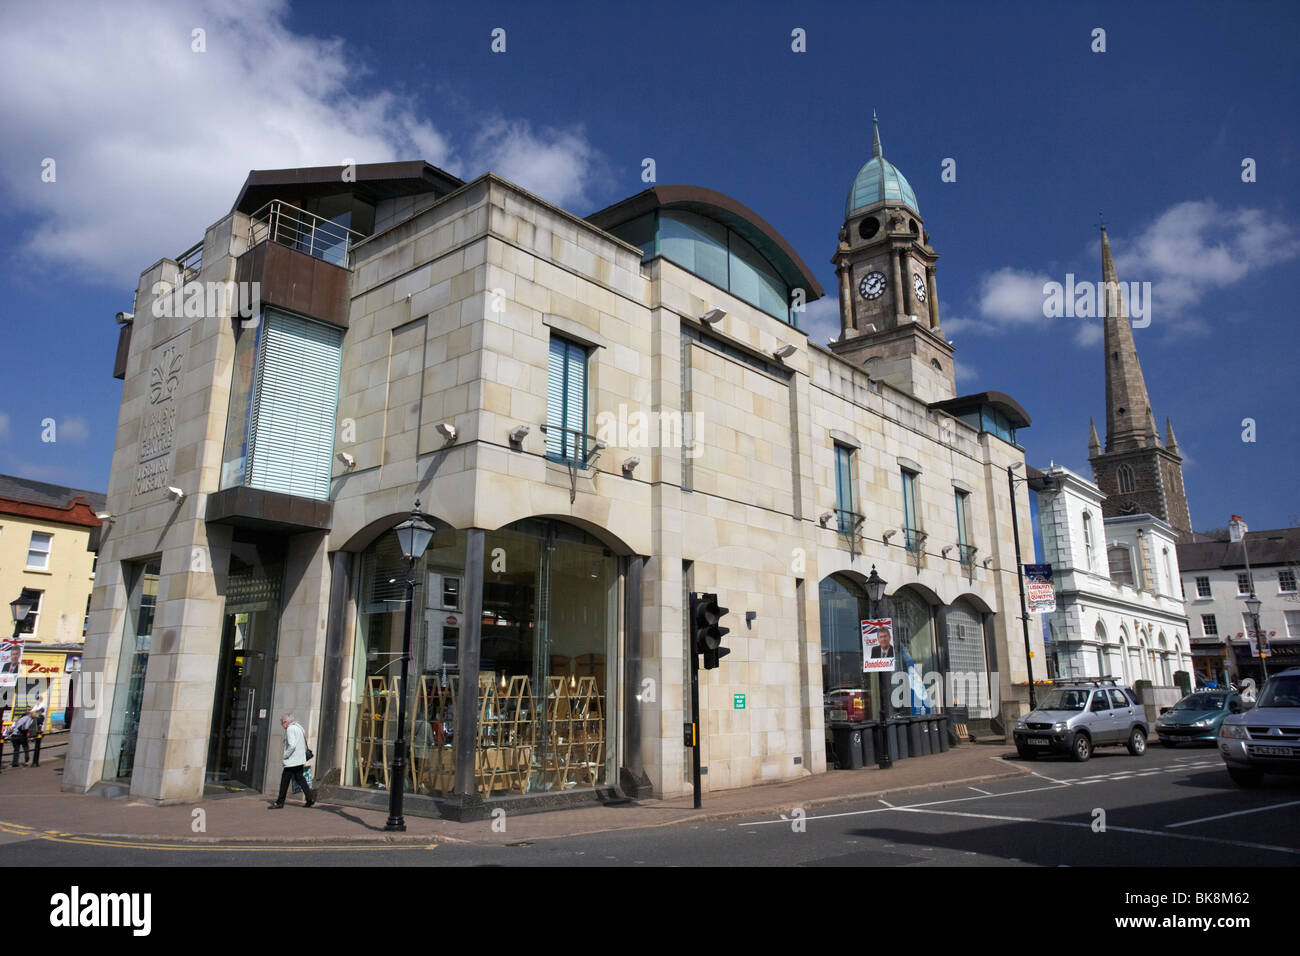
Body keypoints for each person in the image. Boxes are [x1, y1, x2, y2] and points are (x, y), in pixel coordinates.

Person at [269, 712, 315, 809]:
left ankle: (280, 802)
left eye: (282, 723)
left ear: (286, 722)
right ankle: (310, 799)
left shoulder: (290, 729)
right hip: (299, 760)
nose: (282, 725)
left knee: (284, 782)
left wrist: (286, 755)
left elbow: (292, 745)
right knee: (301, 779)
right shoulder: (299, 727)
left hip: (292, 761)